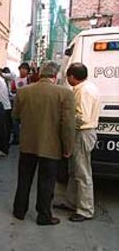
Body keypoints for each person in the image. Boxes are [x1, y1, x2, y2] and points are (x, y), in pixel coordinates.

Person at [12, 61, 75, 226]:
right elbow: (67, 125)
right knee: (47, 181)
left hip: (27, 144)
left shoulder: (24, 91)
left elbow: (15, 116)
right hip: (51, 145)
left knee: (24, 178)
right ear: (55, 76)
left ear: (40, 74)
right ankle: (43, 215)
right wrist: (68, 147)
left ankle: (19, 211)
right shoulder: (65, 94)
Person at [55, 63, 101, 222]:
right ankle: (72, 202)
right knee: (74, 170)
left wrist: (65, 125)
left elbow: (82, 117)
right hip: (83, 133)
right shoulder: (88, 87)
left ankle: (85, 209)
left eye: (68, 77)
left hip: (82, 133)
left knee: (82, 172)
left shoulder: (84, 91)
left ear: (72, 76)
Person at [9, 62, 31, 145]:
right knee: (15, 121)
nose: (22, 71)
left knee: (25, 122)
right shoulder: (16, 79)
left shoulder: (28, 79)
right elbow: (13, 90)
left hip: (26, 103)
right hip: (17, 102)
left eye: (25, 69)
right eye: (21, 69)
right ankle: (16, 138)